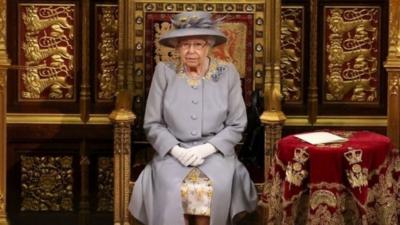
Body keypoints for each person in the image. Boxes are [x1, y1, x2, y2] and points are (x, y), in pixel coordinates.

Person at [128, 11, 258, 225]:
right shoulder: (164, 72)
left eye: (197, 44)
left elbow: (237, 124)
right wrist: (176, 150)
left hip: (216, 155)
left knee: (211, 190)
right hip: (171, 156)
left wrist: (207, 149)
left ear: (208, 46)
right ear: (177, 47)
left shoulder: (227, 73)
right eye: (185, 45)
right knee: (172, 189)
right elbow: (152, 124)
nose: (191, 51)